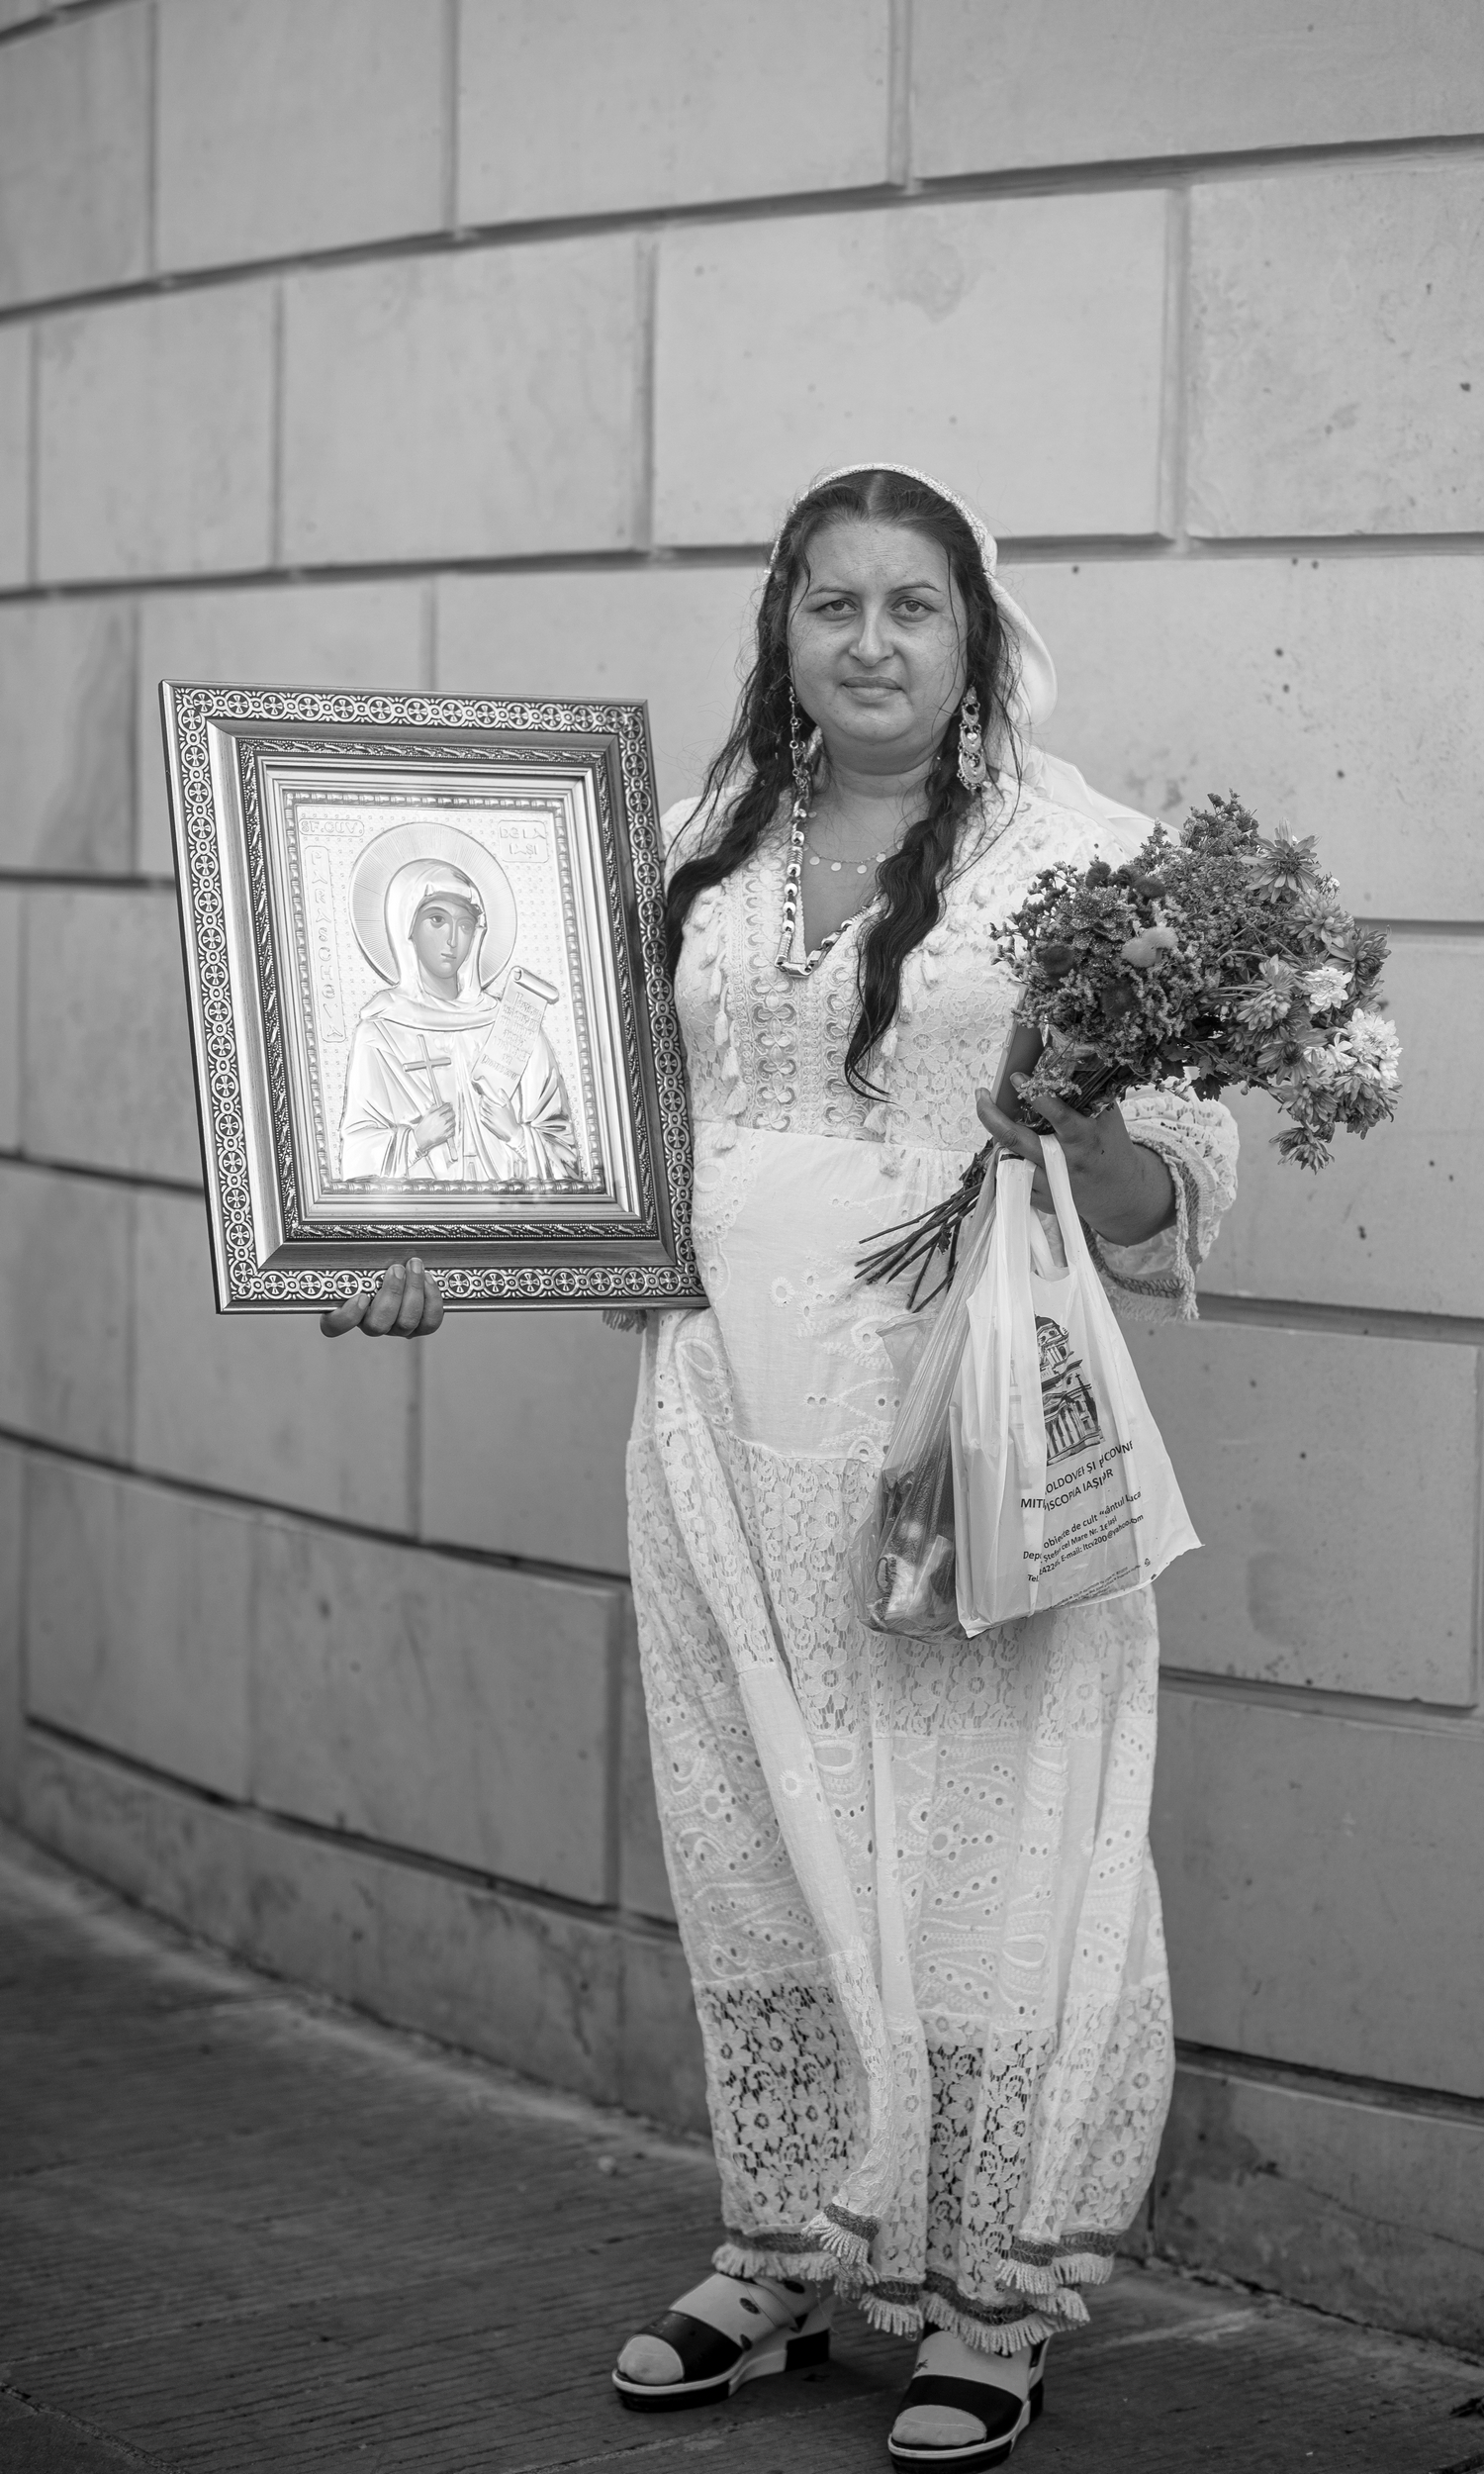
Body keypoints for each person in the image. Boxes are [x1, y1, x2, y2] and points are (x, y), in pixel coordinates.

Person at [324, 465, 1238, 2472]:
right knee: (755, 1830)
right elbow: (570, 1138)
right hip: (723, 1424)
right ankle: (786, 2243)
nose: (873, 640)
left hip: (961, 1424)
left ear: (974, 631)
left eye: (914, 603)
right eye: (834, 602)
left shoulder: (1081, 861)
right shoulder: (688, 855)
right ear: (784, 627)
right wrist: (403, 1240)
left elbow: (1171, 1181)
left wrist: (1072, 1124)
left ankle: (995, 2294)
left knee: (989, 1840)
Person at [337, 857, 581, 1186]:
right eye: (436, 920)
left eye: (464, 924)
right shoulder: (380, 1033)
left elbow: (566, 1156)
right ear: (405, 926)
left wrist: (517, 1136)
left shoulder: (514, 1026)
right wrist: (416, 1140)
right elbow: (355, 1159)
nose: (452, 939)